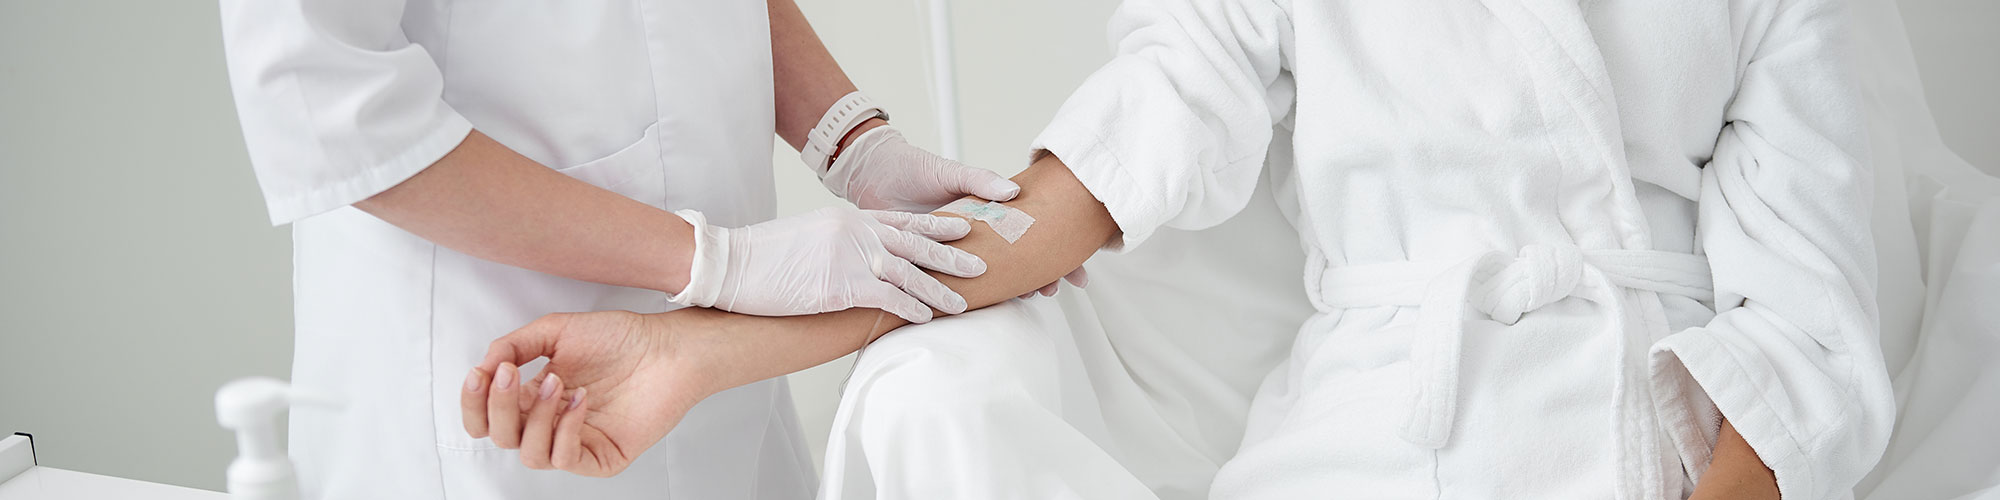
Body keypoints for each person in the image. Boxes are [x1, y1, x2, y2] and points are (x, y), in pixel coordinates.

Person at [466, 0, 1896, 498]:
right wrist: (695, 346)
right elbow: (1077, 198)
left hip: (1620, 426)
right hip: (1362, 432)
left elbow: (1810, 330)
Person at [216, 0, 1029, 497]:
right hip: (493, 361)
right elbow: (327, 115)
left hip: (727, 366)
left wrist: (850, 140)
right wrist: (725, 265)